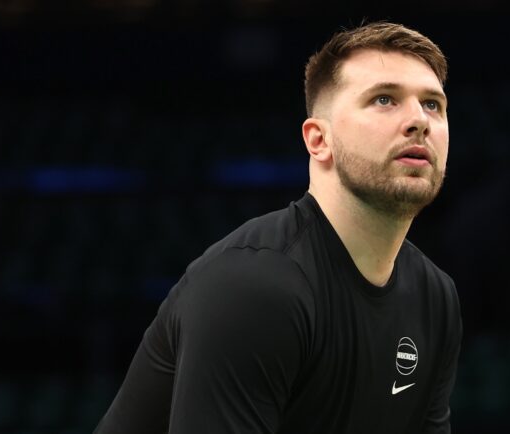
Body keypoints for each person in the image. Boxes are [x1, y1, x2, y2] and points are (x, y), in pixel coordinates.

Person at [95, 21, 461, 434]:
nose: (419, 120)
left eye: (433, 104)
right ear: (318, 140)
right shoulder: (255, 285)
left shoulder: (436, 298)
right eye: (384, 99)